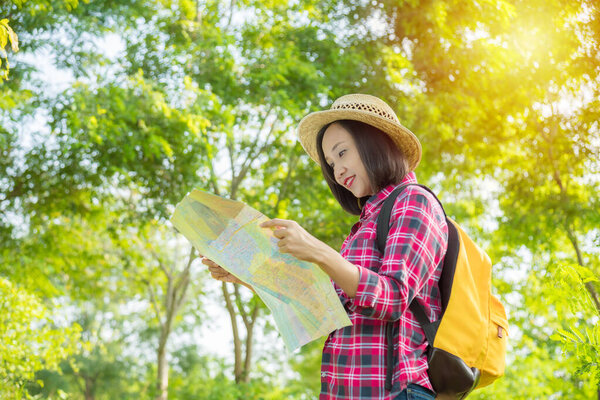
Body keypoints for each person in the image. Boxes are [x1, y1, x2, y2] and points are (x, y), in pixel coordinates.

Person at [202, 94, 448, 400]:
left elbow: (393, 297)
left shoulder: (414, 201)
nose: (337, 170)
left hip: (394, 391)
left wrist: (318, 251)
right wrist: (245, 274)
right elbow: (322, 309)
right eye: (330, 164)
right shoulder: (364, 225)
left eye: (342, 152)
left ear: (377, 143)